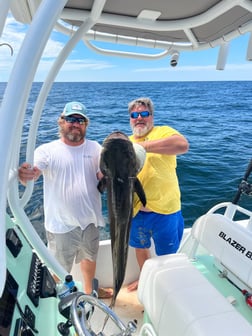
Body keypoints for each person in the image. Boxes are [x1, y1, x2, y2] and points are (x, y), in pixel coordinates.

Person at [18, 101, 112, 298]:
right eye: (70, 119)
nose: (75, 124)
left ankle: (89, 292)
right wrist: (27, 174)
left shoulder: (96, 148)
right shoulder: (47, 150)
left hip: (90, 221)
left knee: (89, 257)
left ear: (86, 125)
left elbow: (102, 174)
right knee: (60, 267)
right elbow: (35, 170)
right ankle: (62, 298)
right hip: (61, 225)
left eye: (80, 120)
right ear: (61, 121)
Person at [127, 97, 189, 291]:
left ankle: (167, 287)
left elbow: (182, 145)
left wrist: (141, 147)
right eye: (134, 115)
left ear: (151, 116)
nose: (139, 118)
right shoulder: (126, 142)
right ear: (130, 119)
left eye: (144, 114)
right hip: (136, 210)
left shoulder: (162, 132)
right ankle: (146, 279)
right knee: (141, 247)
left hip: (165, 209)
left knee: (168, 254)